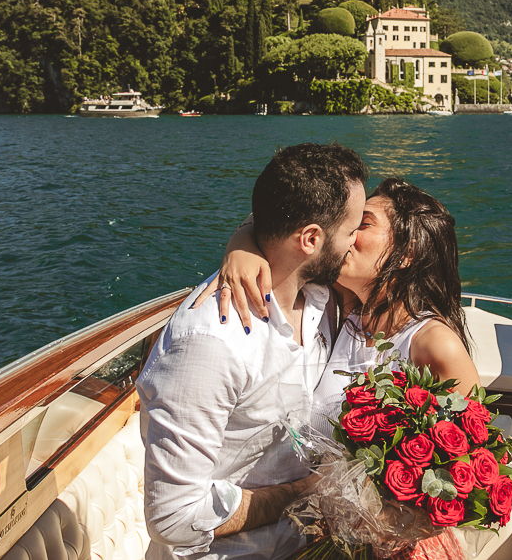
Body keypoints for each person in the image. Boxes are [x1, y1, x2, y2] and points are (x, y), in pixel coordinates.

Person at [137, 143, 368, 560]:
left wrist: (242, 239)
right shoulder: (211, 345)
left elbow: (270, 218)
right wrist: (304, 493)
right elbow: (173, 519)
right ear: (311, 239)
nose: (355, 244)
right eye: (352, 231)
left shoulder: (317, 297)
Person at [204, 176, 480, 431]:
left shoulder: (435, 346)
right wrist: (241, 245)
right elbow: (286, 213)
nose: (345, 233)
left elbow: (472, 451)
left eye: (363, 224)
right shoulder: (352, 306)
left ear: (408, 253)